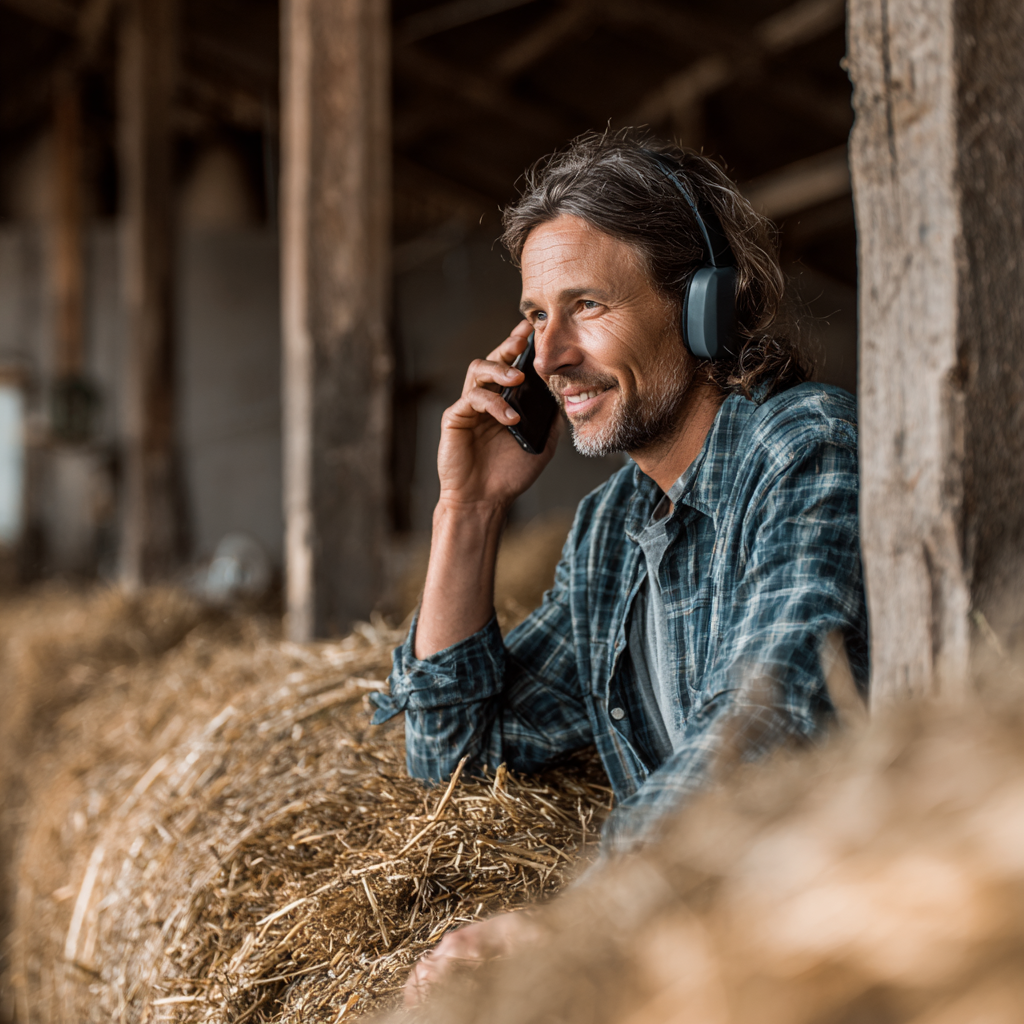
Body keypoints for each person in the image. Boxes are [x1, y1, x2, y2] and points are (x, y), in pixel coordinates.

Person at [369, 129, 868, 1002]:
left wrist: (578, 923)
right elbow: (454, 760)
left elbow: (767, 721)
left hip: (834, 955)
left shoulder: (804, 447)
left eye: (586, 306)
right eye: (534, 316)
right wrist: (471, 510)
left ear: (703, 304)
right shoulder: (613, 526)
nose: (552, 354)